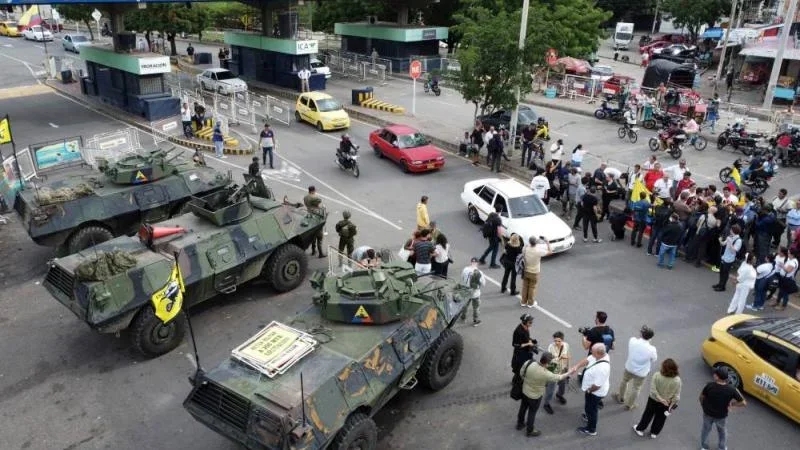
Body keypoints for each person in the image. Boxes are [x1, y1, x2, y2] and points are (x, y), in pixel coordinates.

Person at [516, 352, 575, 437]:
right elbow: (559, 377)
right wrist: (569, 372)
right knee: (532, 412)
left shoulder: (529, 362)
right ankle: (530, 430)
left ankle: (520, 424)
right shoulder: (546, 374)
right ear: (547, 363)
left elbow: (521, 373)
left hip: (525, 391)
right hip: (535, 396)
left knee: (523, 408)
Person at [699, 366, 746, 450]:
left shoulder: (709, 386)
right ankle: (721, 447)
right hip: (721, 416)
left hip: (707, 414)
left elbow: (701, 397)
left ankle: (704, 447)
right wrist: (732, 404)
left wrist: (703, 405)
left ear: (717, 377)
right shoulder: (732, 389)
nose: (714, 374)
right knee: (722, 432)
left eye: (715, 374)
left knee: (705, 430)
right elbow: (743, 402)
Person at [634, 358, 682, 439]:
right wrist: (671, 404)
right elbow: (677, 396)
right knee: (661, 418)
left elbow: (653, 390)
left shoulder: (657, 375)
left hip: (653, 399)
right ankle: (654, 432)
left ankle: (640, 429)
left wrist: (660, 399)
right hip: (667, 402)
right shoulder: (677, 380)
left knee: (648, 414)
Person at [614, 325, 657, 410]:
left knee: (625, 381)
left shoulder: (632, 341)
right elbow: (654, 359)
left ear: (641, 334)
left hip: (629, 367)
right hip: (641, 372)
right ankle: (629, 404)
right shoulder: (652, 349)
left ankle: (621, 397)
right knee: (636, 388)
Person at [574, 343, 611, 437]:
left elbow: (597, 386)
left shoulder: (603, 368)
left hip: (595, 393)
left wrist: (589, 391)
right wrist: (576, 366)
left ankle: (591, 429)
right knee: (589, 407)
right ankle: (588, 416)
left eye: (592, 351)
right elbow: (587, 359)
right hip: (592, 390)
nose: (590, 352)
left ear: (599, 353)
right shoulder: (599, 356)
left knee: (591, 410)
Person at [542, 331, 571, 414]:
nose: (557, 342)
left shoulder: (566, 345)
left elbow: (568, 357)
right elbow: (548, 361)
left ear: (562, 340)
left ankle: (559, 395)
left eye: (559, 341)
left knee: (562, 385)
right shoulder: (550, 347)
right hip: (553, 370)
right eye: (555, 341)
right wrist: (559, 358)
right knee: (550, 389)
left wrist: (569, 368)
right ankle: (546, 404)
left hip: (563, 369)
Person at [521, 236, 552, 307]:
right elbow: (550, 252)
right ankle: (530, 303)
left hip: (525, 270)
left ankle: (523, 302)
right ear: (536, 243)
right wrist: (547, 242)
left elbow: (525, 248)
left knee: (525, 286)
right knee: (532, 287)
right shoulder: (538, 251)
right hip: (534, 272)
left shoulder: (526, 248)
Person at [714, 225, 743, 291]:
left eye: (731, 229)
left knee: (725, 273)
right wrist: (720, 240)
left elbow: (734, 251)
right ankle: (720, 284)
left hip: (730, 259)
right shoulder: (730, 237)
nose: (730, 230)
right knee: (721, 271)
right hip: (724, 257)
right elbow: (723, 244)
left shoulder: (739, 240)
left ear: (734, 231)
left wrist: (730, 242)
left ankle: (722, 287)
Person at [460, 257, 485, 326]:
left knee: (465, 305)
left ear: (471, 262)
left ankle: (463, 317)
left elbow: (462, 278)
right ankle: (475, 320)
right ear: (477, 263)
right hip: (475, 293)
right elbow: (483, 283)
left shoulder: (465, 269)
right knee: (476, 307)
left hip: (466, 291)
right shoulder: (480, 272)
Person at [303, 186, 325, 257]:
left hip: (309, 215)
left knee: (313, 235)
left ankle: (313, 251)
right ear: (313, 191)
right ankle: (320, 253)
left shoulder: (305, 197)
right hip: (316, 217)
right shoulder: (315, 198)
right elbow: (318, 203)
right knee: (319, 237)